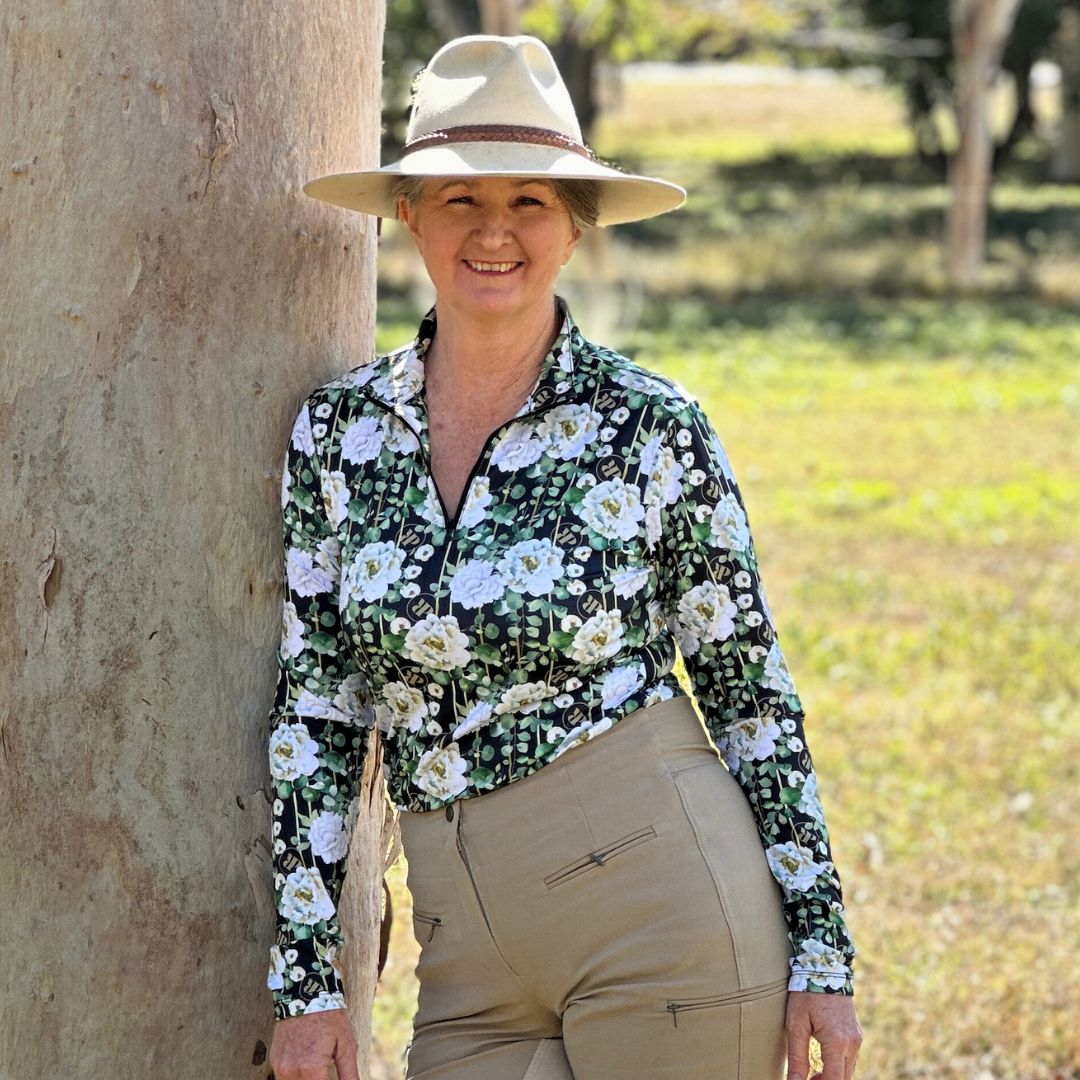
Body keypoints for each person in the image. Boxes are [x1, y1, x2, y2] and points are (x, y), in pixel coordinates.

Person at [266, 33, 862, 1080]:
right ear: (408, 212)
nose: (494, 231)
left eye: (530, 201)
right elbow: (316, 707)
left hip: (664, 910)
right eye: (460, 198)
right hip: (465, 955)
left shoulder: (651, 428)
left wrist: (821, 946)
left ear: (575, 228)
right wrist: (306, 986)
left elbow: (747, 690)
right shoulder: (337, 435)